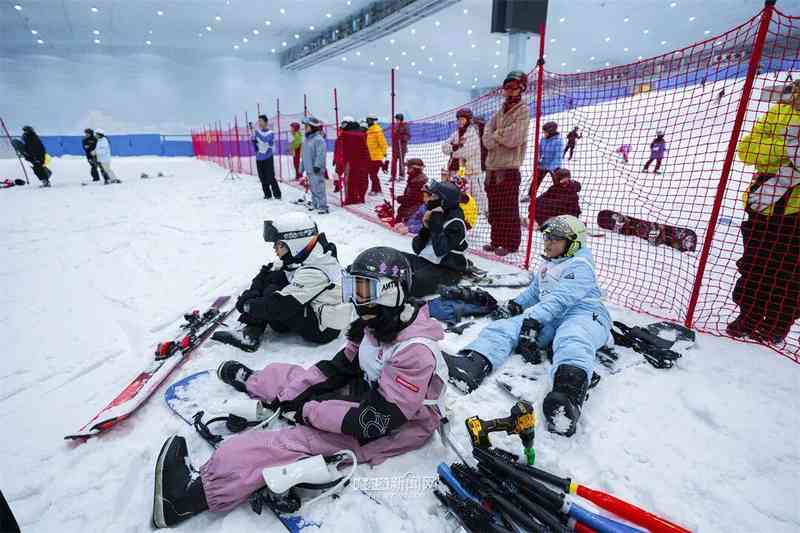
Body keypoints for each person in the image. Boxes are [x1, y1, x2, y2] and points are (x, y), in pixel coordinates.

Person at [151, 247, 447, 529]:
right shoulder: (379, 322)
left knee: (293, 442)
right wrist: (296, 393)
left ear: (391, 293)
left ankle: (186, 497)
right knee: (293, 376)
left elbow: (376, 421)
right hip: (375, 394)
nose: (356, 298)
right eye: (353, 287)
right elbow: (342, 366)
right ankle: (257, 382)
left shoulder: (414, 351)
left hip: (397, 425)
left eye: (363, 289)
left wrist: (308, 412)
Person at [444, 215, 610, 437]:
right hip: (551, 315)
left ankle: (566, 400)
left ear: (573, 243)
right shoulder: (551, 263)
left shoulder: (580, 265)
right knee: (507, 327)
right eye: (548, 237)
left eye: (556, 239)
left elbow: (562, 298)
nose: (549, 242)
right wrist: (516, 306)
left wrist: (534, 320)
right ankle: (473, 364)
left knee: (572, 339)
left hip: (584, 314)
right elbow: (535, 292)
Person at [727, 80, 800, 344]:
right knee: (754, 264)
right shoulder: (780, 111)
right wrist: (789, 146)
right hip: (764, 204)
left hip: (795, 212)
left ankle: (777, 323)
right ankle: (750, 315)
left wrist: (778, 149)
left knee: (789, 272)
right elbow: (746, 149)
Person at [212, 212, 348, 352]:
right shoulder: (307, 254)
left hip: (323, 329)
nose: (275, 249)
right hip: (310, 310)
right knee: (273, 278)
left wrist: (247, 305)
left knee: (272, 294)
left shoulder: (316, 270)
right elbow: (267, 272)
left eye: (278, 245)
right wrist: (254, 291)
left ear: (294, 243)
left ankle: (250, 333)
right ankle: (252, 330)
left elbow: (279, 306)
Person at [483, 71, 531, 256]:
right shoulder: (499, 112)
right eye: (506, 87)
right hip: (492, 169)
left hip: (508, 170)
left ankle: (510, 244)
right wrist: (497, 135)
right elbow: (485, 138)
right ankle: (496, 241)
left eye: (513, 87)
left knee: (508, 210)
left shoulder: (523, 111)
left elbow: (514, 137)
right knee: (494, 209)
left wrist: (495, 135)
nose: (509, 91)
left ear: (521, 88)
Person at [403, 179, 468, 297]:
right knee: (399, 261)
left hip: (448, 270)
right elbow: (417, 248)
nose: (430, 199)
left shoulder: (456, 222)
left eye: (434, 196)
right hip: (428, 262)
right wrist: (425, 228)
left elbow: (440, 250)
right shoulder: (437, 213)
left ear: (443, 200)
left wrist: (436, 223)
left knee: (411, 283)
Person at [442, 107, 486, 214]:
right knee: (460, 191)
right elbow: (444, 147)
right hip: (457, 169)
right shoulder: (456, 133)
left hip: (471, 169)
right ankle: (463, 210)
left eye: (462, 119)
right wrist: (454, 147)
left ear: (468, 120)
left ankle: (481, 212)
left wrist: (453, 150)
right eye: (459, 119)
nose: (460, 121)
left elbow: (467, 151)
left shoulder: (473, 133)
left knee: (476, 193)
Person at [334, 115, 370, 205]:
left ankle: (350, 198)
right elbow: (365, 149)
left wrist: (337, 161)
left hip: (348, 162)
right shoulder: (362, 134)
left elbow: (340, 150)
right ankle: (360, 197)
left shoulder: (344, 135)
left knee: (349, 180)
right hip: (362, 161)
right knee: (362, 179)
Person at [299, 116, 329, 214]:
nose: (305, 128)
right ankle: (315, 204)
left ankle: (323, 206)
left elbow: (321, 154)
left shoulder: (318, 139)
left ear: (313, 127)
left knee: (319, 187)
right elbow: (303, 155)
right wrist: (301, 167)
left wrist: (318, 165)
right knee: (312, 188)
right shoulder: (305, 140)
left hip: (316, 169)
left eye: (307, 126)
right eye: (305, 126)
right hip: (309, 169)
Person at [253, 115, 281, 200]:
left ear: (266, 122)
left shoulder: (270, 133)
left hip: (268, 157)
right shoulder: (258, 132)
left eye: (261, 121)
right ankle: (267, 194)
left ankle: (277, 194)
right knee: (262, 177)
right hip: (259, 158)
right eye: (259, 121)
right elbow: (256, 145)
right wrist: (254, 144)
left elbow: (265, 140)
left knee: (270, 176)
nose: (260, 123)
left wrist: (257, 134)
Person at [534, 121, 564, 192]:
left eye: (545, 132)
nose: (544, 133)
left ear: (551, 132)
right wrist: (538, 159)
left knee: (557, 182)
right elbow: (539, 151)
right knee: (536, 180)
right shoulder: (543, 139)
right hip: (544, 163)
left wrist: (551, 167)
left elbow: (558, 156)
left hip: (555, 166)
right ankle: (530, 195)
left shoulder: (558, 141)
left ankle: (559, 195)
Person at [396, 158, 428, 224]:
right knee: (401, 210)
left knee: (402, 211)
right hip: (412, 206)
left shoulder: (417, 182)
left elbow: (411, 200)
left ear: (415, 169)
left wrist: (398, 198)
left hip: (416, 209)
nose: (407, 170)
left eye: (409, 168)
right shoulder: (413, 179)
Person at [365, 114, 388, 195]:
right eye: (368, 120)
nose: (369, 122)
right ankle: (377, 189)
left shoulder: (377, 131)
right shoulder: (368, 131)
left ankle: (376, 190)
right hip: (370, 156)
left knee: (373, 174)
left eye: (370, 120)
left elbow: (383, 143)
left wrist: (384, 153)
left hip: (377, 157)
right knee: (372, 174)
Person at [392, 113, 411, 178]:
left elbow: (408, 136)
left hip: (402, 147)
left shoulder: (405, 126)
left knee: (401, 162)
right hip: (395, 147)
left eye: (397, 119)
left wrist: (402, 137)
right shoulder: (395, 126)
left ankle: (401, 175)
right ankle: (393, 175)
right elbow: (393, 135)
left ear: (401, 119)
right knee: (393, 162)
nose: (396, 121)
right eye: (396, 119)